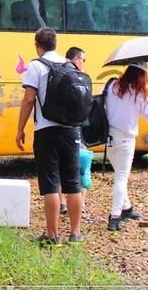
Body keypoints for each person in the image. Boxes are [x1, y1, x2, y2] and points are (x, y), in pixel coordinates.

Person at [16, 28, 84, 246]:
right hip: (71, 130)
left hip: (46, 130)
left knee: (51, 184)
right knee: (73, 183)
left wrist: (20, 129)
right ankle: (75, 234)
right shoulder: (70, 65)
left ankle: (53, 235)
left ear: (37, 44)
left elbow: (29, 100)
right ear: (55, 44)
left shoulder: (36, 66)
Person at [104, 60, 148, 231]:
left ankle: (127, 208)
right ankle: (115, 217)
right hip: (126, 140)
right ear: (142, 76)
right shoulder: (140, 94)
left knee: (120, 175)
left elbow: (100, 102)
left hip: (109, 138)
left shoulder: (112, 85)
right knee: (121, 178)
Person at [59, 47, 89, 217]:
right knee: (81, 170)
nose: (84, 64)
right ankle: (79, 206)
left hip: (58, 130)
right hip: (74, 131)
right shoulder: (79, 80)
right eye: (83, 60)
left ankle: (62, 203)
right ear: (76, 59)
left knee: (59, 169)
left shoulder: (59, 75)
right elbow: (82, 111)